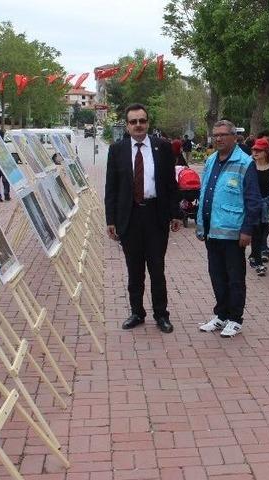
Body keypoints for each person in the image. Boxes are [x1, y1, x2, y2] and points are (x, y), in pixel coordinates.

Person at [104, 103, 181, 334]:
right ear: (127, 125)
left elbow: (171, 183)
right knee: (134, 269)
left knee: (157, 268)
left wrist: (176, 213)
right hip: (129, 217)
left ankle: (161, 314)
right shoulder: (116, 150)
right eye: (133, 121)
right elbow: (112, 188)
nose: (138, 125)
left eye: (142, 121)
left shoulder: (163, 147)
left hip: (155, 216)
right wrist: (111, 220)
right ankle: (137, 312)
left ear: (148, 123)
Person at [196, 120, 262, 338]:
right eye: (215, 135)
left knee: (235, 277)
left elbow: (253, 200)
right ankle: (221, 315)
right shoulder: (211, 160)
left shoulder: (245, 163)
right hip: (211, 230)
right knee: (216, 275)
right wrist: (200, 224)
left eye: (224, 134)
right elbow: (205, 192)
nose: (219, 138)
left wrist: (247, 230)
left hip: (233, 232)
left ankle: (235, 318)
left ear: (235, 137)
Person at [249, 137, 269, 276]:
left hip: (267, 204)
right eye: (254, 149)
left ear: (266, 152)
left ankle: (254, 254)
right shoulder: (249, 167)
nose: (255, 152)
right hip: (253, 204)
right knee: (256, 232)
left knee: (264, 232)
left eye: (258, 150)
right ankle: (259, 263)